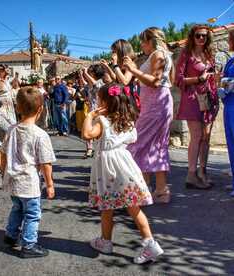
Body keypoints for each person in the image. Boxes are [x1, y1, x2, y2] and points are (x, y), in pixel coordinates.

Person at [82, 83, 163, 264]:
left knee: (107, 206)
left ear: (105, 102)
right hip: (125, 166)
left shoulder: (102, 122)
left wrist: (90, 115)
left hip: (108, 169)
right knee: (133, 207)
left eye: (99, 99)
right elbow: (131, 138)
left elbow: (87, 134)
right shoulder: (128, 121)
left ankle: (111, 242)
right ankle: (143, 242)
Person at [1, 87, 56, 258]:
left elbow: (3, 154)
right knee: (32, 214)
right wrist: (50, 185)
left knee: (17, 208)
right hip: (29, 183)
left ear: (17, 108)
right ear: (40, 109)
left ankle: (11, 235)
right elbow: (45, 163)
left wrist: (4, 173)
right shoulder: (40, 135)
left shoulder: (11, 129)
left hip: (12, 179)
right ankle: (29, 245)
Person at [123, 27, 174, 203]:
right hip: (159, 103)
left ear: (151, 40)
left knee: (138, 144)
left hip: (155, 104)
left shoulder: (158, 55)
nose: (141, 45)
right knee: (157, 146)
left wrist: (133, 69)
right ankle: (161, 191)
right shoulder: (165, 55)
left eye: (143, 41)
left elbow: (155, 81)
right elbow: (168, 82)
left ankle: (142, 192)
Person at [176, 25, 219, 189]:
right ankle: (191, 175)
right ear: (192, 37)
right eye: (198, 36)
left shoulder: (209, 55)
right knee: (197, 136)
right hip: (192, 99)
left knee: (206, 137)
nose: (202, 38)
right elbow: (178, 80)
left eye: (205, 36)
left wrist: (215, 79)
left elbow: (211, 77)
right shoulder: (186, 54)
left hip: (209, 99)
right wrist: (198, 79)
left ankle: (202, 172)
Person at [219, 29, 234, 196]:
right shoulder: (230, 62)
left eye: (230, 39)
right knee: (231, 144)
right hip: (229, 104)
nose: (229, 42)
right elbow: (223, 80)